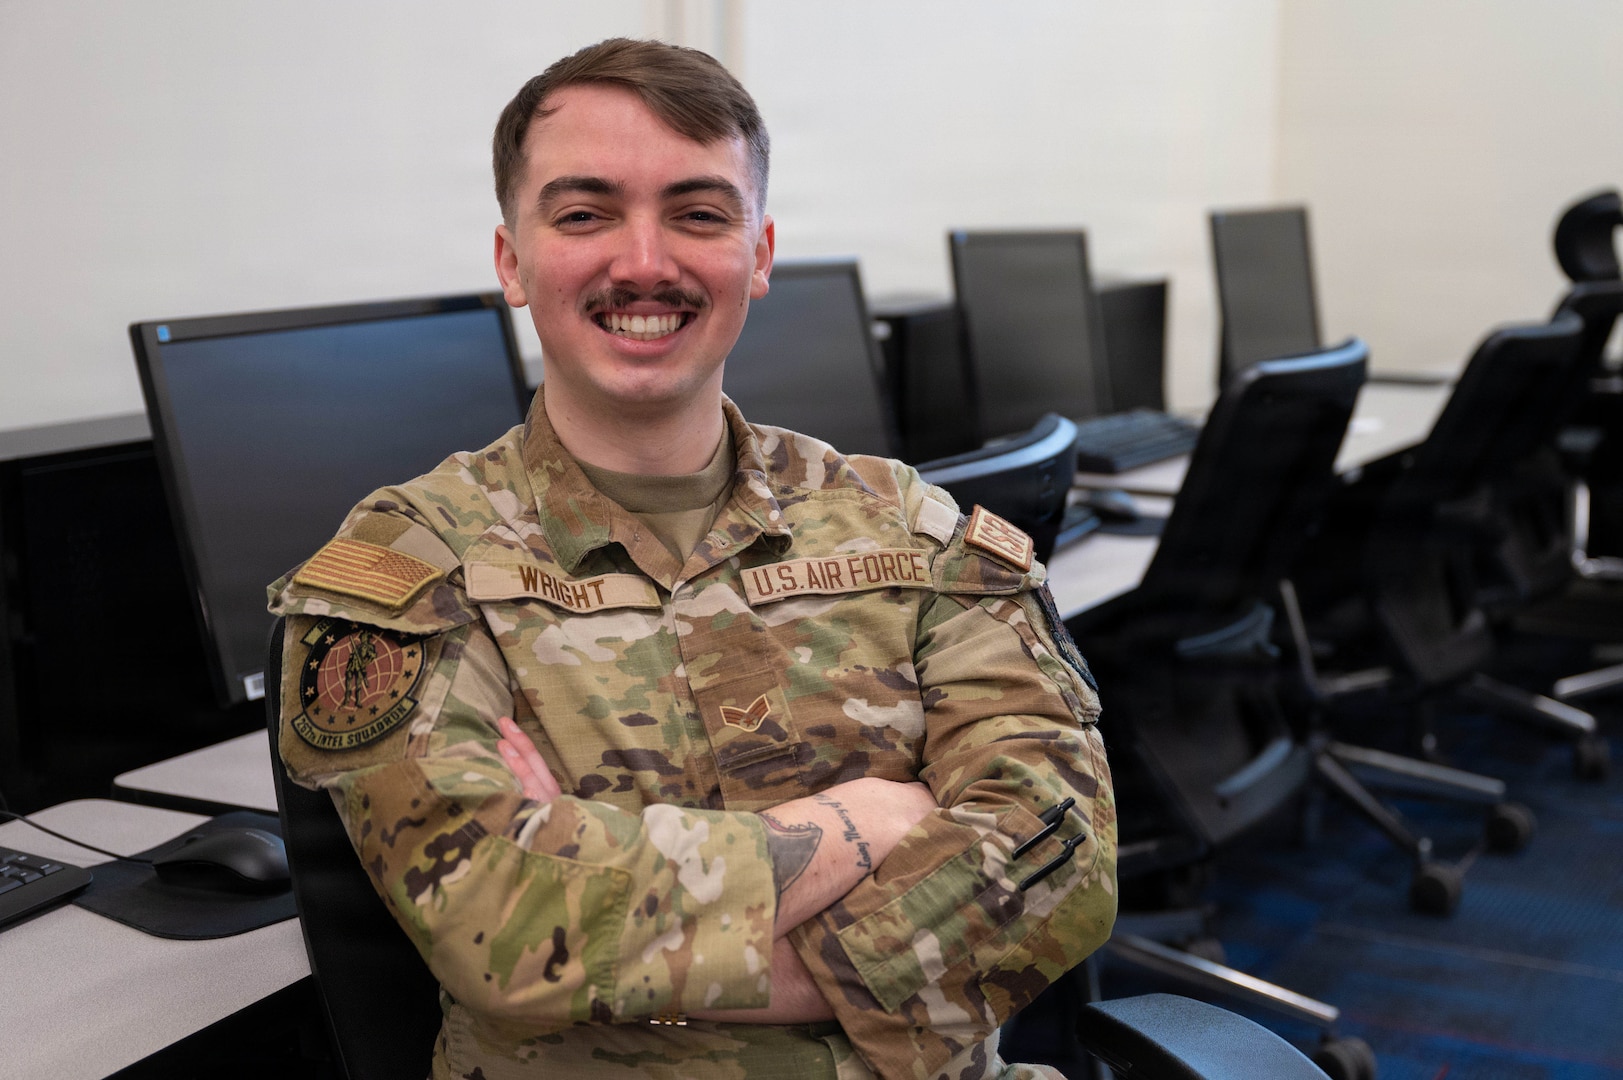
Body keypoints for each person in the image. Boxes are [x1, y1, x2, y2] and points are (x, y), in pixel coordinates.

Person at [269, 37, 1116, 1080]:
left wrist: (612, 919)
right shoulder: (412, 568)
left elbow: (1062, 860)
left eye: (699, 213)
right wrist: (868, 820)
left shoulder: (902, 526)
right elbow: (511, 931)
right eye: (584, 214)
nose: (643, 262)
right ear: (511, 262)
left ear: (759, 253)